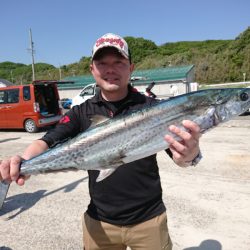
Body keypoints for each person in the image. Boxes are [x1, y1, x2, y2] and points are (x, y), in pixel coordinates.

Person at [0, 33, 202, 250]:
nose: (110, 69)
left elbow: (181, 158)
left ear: (131, 68)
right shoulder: (81, 112)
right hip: (99, 222)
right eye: (102, 63)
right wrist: (24, 160)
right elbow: (47, 141)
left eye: (118, 62)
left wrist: (191, 155)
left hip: (149, 220)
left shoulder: (153, 108)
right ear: (92, 69)